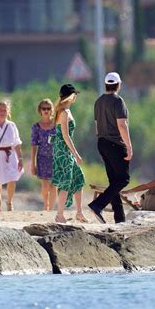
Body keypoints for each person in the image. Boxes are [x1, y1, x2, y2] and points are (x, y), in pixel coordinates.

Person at [88, 72, 133, 223]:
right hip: (115, 144)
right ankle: (98, 204)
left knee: (114, 181)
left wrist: (102, 144)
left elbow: (96, 125)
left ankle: (119, 218)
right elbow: (122, 124)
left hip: (102, 142)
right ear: (118, 84)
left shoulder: (98, 101)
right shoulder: (118, 101)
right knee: (123, 179)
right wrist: (129, 146)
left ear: (106, 84)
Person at [52, 84, 88, 223]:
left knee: (78, 178)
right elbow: (66, 136)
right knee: (65, 182)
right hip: (63, 151)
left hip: (64, 150)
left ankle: (79, 212)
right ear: (71, 96)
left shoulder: (64, 110)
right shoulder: (64, 112)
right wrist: (76, 155)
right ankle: (59, 215)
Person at [30, 99, 57, 211]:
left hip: (55, 158)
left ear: (52, 110)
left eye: (48, 108)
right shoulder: (36, 127)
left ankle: (50, 209)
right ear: (40, 110)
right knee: (45, 186)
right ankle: (45, 204)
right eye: (43, 108)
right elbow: (33, 145)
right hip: (42, 158)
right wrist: (32, 164)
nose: (46, 110)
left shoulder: (57, 124)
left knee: (54, 185)